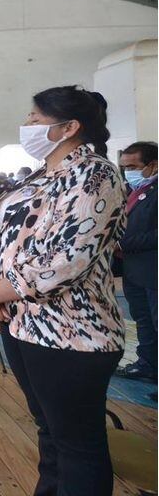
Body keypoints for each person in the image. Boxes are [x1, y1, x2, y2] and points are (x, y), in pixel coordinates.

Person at [0, 86, 124, 496]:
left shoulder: (95, 174)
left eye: (35, 118)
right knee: (50, 433)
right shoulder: (41, 174)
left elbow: (65, 262)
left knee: (78, 445)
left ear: (69, 126)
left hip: (72, 333)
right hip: (23, 326)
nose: (28, 125)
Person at [115, 141, 158, 384]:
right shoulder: (135, 191)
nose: (127, 173)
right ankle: (149, 365)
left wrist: (123, 244)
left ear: (153, 165)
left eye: (132, 166)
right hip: (135, 271)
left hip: (153, 270)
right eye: (123, 167)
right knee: (144, 321)